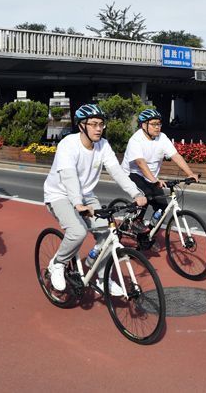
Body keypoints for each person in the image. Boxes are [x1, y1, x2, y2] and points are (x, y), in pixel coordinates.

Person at [44, 103, 147, 294]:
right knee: (77, 232)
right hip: (60, 195)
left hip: (86, 196)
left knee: (109, 235)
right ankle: (57, 263)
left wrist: (136, 193)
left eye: (101, 124)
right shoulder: (68, 144)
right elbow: (68, 176)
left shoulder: (103, 146)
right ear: (81, 125)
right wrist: (77, 203)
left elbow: (117, 171)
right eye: (93, 124)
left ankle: (100, 276)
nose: (98, 128)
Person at [121, 108, 198, 228]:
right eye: (153, 124)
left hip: (150, 177)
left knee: (162, 207)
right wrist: (155, 180)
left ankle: (149, 235)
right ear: (143, 125)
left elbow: (175, 156)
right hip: (132, 174)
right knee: (146, 196)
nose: (157, 127)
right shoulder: (135, 140)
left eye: (159, 124)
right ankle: (133, 222)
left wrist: (190, 174)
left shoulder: (162, 137)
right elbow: (140, 163)